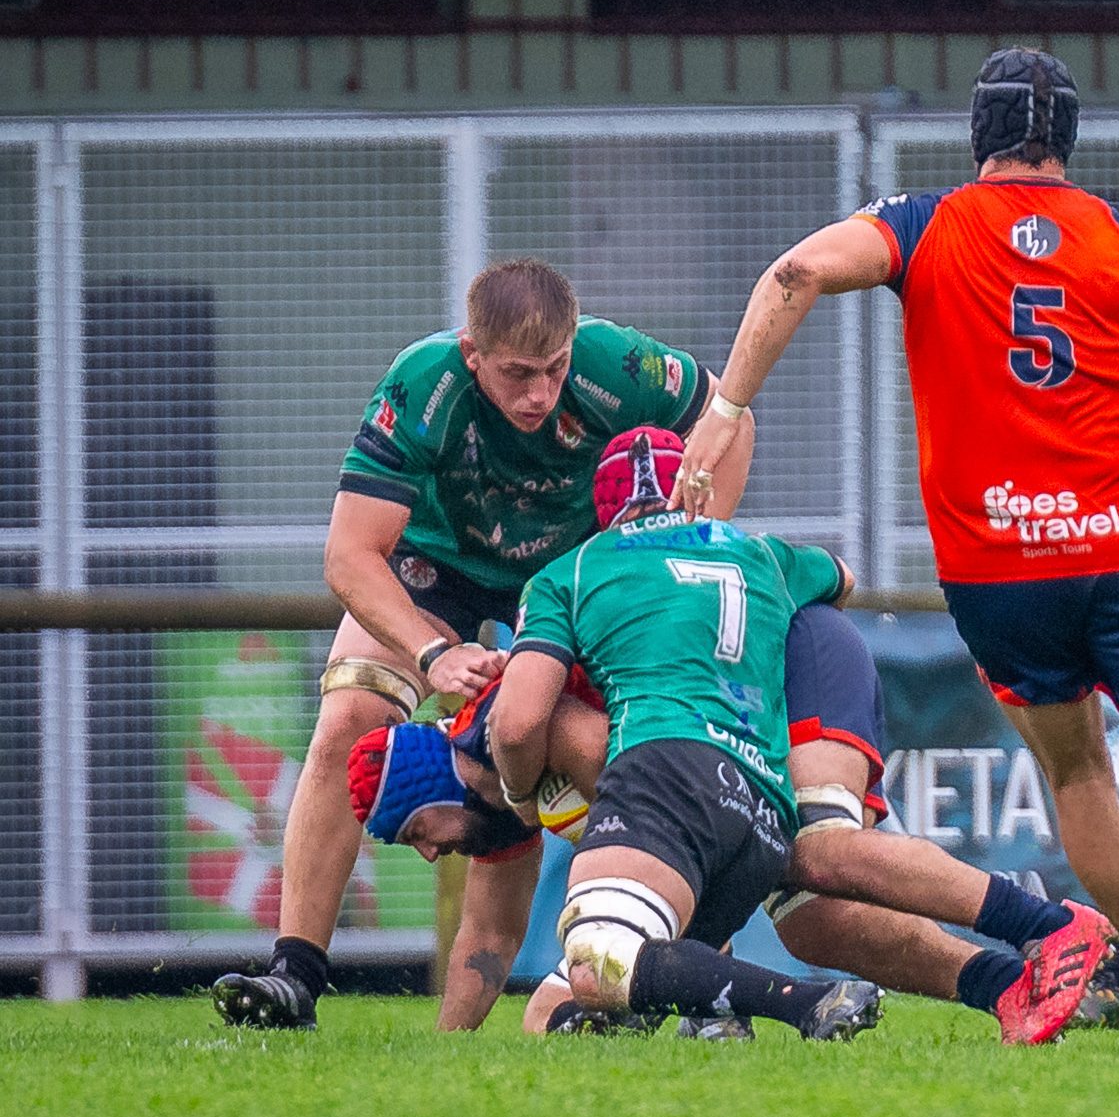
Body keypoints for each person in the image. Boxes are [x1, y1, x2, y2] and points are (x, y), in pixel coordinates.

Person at [669, 48, 1119, 1055]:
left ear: (979, 138)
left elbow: (799, 270)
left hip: (999, 566)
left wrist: (727, 407)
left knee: (1079, 776)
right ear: (1068, 143)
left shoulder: (921, 225)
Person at [211, 258, 755, 1031]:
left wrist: (686, 551)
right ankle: (294, 976)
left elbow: (731, 425)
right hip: (439, 567)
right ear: (473, 354)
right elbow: (347, 555)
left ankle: (708, 990)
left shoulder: (620, 363)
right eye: (516, 374)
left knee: (653, 748)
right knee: (349, 711)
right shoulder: (422, 382)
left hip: (570, 577)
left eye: (554, 370)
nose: (539, 392)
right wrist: (434, 656)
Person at [474, 425, 897, 1042]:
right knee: (584, 995)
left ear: (602, 511)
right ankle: (713, 1014)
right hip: (765, 809)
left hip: (669, 776)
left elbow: (516, 726)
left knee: (596, 958)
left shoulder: (577, 568)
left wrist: (522, 798)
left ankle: (805, 1001)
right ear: (694, 490)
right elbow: (843, 577)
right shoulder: (758, 553)